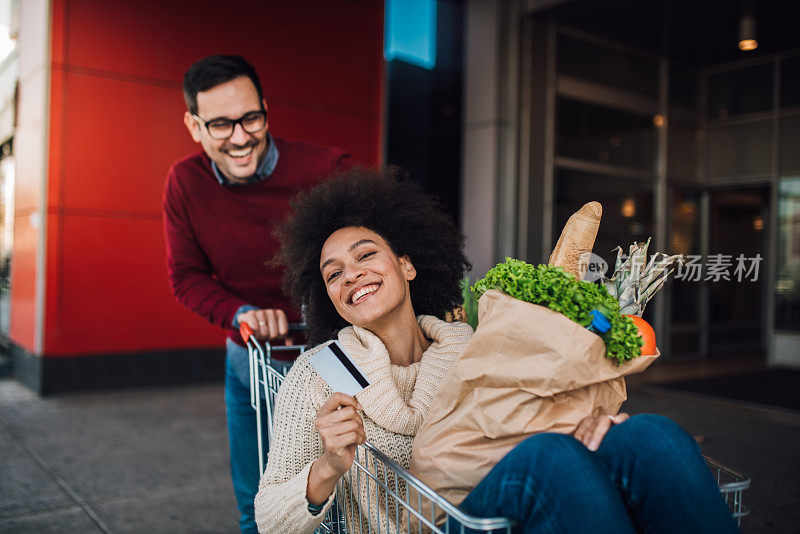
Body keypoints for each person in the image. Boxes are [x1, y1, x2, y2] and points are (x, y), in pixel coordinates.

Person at [254, 167, 740, 533]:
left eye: (365, 254)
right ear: (329, 298)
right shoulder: (319, 375)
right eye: (333, 273)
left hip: (523, 505)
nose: (352, 274)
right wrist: (327, 468)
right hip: (439, 524)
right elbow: (269, 519)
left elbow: (529, 413)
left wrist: (589, 421)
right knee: (550, 457)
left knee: (650, 436)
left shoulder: (477, 343)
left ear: (407, 267)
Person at [162, 54, 352, 534]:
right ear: (193, 125)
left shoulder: (328, 168)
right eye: (221, 124)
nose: (242, 137)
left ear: (265, 108)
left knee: (337, 506)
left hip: (326, 352)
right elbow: (186, 275)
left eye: (251, 117)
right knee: (257, 507)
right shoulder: (185, 183)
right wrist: (241, 313)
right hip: (248, 355)